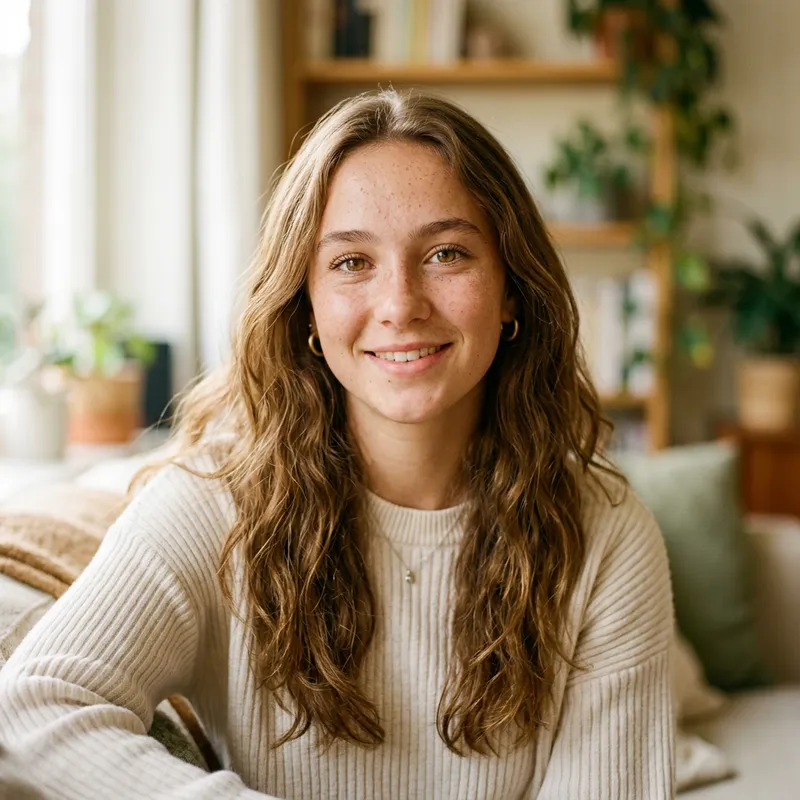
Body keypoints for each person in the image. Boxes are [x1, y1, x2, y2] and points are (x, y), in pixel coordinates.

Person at [0, 89, 675, 799]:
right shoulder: (214, 503)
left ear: (511, 290)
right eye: (352, 263)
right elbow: (37, 701)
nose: (400, 304)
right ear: (307, 309)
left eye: (447, 253)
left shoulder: (606, 533)